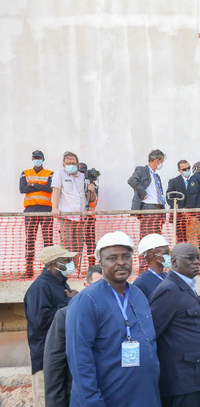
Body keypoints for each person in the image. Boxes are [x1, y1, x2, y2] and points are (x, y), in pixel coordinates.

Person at [66, 231, 161, 406]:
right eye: (112, 258)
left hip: (145, 396)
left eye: (126, 256)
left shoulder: (138, 295)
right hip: (108, 399)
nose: (121, 262)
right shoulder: (86, 301)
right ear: (100, 262)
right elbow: (80, 361)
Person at [149, 242, 200, 407]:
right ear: (174, 262)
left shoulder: (185, 286)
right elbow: (151, 333)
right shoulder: (169, 290)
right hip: (181, 379)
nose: (196, 262)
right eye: (190, 258)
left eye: (198, 258)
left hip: (193, 375)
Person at [23, 245, 77, 407]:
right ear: (53, 264)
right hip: (46, 360)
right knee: (47, 400)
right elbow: (41, 321)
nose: (70, 263)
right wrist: (69, 302)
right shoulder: (40, 287)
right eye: (66, 260)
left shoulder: (61, 284)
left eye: (70, 260)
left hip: (62, 357)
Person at [43, 265, 103, 407]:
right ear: (86, 285)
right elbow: (54, 368)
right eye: (96, 285)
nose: (101, 290)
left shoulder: (122, 312)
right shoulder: (66, 315)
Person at [20, 150, 54, 278]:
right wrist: (41, 185)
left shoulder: (50, 173)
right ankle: (29, 269)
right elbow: (22, 189)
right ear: (32, 159)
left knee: (48, 239)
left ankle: (49, 269)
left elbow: (50, 188)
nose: (37, 159)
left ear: (43, 159)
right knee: (30, 239)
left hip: (46, 209)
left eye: (39, 157)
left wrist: (33, 184)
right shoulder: (25, 173)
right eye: (35, 158)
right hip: (30, 209)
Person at [51, 152, 87, 273]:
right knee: (67, 244)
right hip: (66, 216)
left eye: (73, 163)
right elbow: (56, 191)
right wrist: (54, 207)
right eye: (68, 163)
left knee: (79, 244)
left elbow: (84, 195)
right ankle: (65, 269)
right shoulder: (59, 174)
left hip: (81, 216)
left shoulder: (82, 177)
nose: (70, 165)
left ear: (77, 164)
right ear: (63, 164)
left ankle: (76, 269)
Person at [128, 149, 167, 237]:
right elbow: (132, 181)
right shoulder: (142, 170)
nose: (162, 164)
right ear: (157, 160)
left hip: (159, 209)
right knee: (147, 236)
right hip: (148, 208)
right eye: (161, 161)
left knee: (157, 236)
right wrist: (143, 193)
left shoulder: (156, 176)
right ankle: (144, 251)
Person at [133, 234, 171, 300]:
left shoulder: (168, 277)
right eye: (166, 253)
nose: (169, 256)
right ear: (154, 256)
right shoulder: (141, 283)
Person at [78, 163, 99, 267]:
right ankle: (75, 266)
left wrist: (92, 190)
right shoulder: (74, 183)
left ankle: (92, 266)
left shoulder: (93, 184)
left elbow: (94, 201)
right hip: (76, 217)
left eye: (83, 172)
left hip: (89, 217)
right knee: (76, 242)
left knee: (90, 243)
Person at [166, 159, 191, 243]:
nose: (187, 171)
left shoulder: (194, 181)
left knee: (192, 238)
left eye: (188, 168)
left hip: (193, 215)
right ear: (179, 170)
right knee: (180, 238)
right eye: (184, 169)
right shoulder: (174, 181)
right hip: (179, 216)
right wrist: (181, 209)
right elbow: (169, 198)